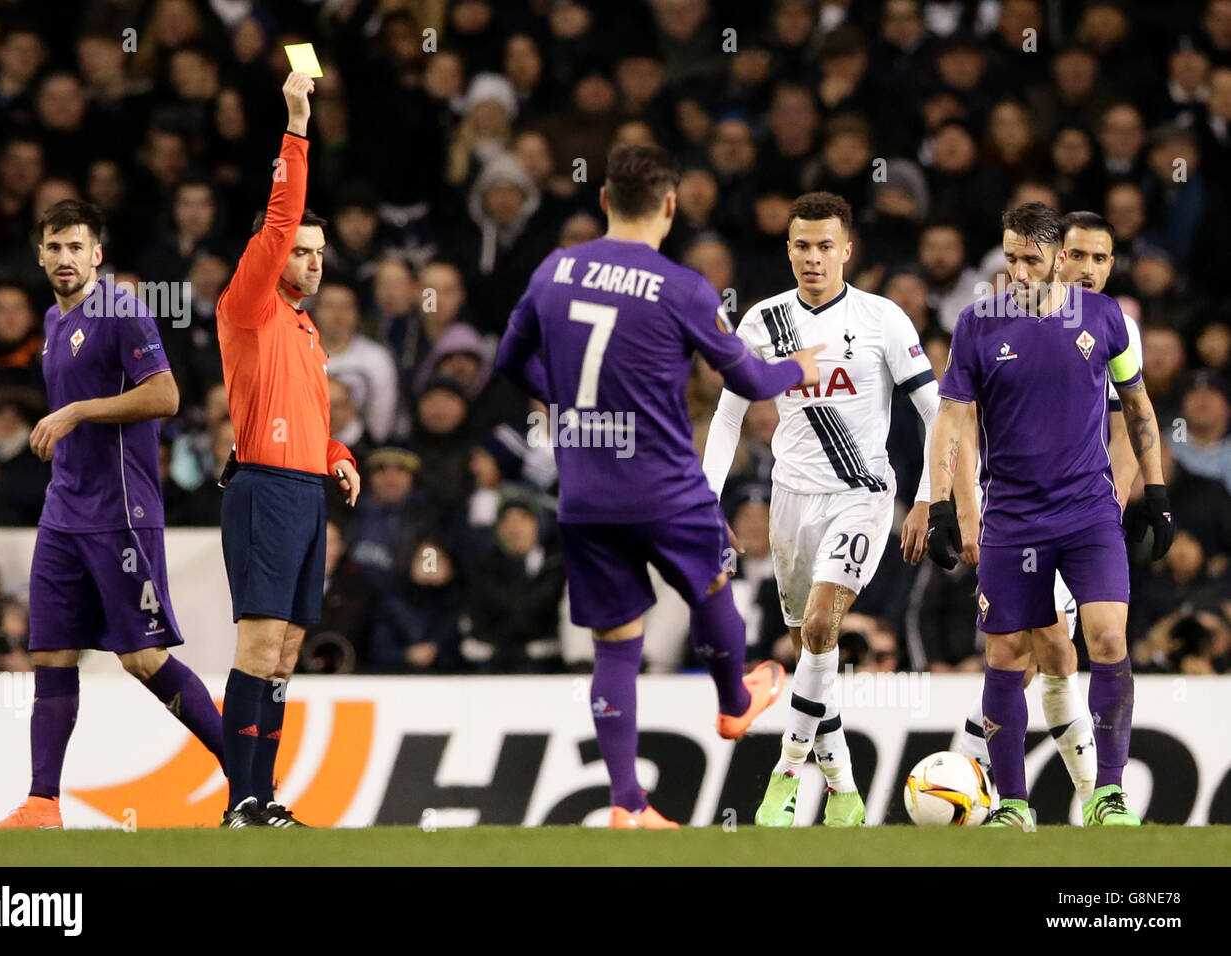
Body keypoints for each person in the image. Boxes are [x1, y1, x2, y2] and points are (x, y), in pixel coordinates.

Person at [495, 144, 824, 828]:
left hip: (585, 492)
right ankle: (735, 700)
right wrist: (799, 366)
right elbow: (750, 381)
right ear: (670, 206)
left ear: (605, 200)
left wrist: (563, 403)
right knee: (712, 580)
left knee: (617, 643)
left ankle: (626, 805)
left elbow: (509, 359)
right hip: (665, 486)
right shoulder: (682, 287)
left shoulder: (555, 269)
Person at [927, 202, 1172, 830]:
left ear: (1060, 257)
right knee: (1008, 652)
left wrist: (1157, 490)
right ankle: (1013, 804)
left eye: (1030, 259)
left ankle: (1108, 796)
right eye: (1009, 258)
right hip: (1012, 517)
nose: (1018, 271)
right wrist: (944, 505)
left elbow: (1138, 407)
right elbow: (952, 420)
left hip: (1088, 513)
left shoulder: (1105, 317)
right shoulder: (978, 325)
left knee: (1109, 638)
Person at [0, 199, 223, 830]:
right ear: (40, 254)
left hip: (120, 511)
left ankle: (250, 776)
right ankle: (42, 804)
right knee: (53, 653)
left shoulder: (121, 309)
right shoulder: (52, 319)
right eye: (54, 247)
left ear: (97, 253)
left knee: (140, 659)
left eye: (76, 247)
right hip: (63, 513)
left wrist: (77, 411)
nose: (64, 258)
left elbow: (167, 395)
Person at [702, 191, 938, 829]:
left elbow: (936, 411)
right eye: (802, 245)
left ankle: (784, 778)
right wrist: (702, 499)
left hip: (863, 493)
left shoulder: (883, 318)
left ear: (847, 251)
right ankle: (843, 786)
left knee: (821, 624)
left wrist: (927, 497)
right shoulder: (761, 322)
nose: (813, 258)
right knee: (814, 644)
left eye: (825, 246)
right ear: (788, 250)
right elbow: (727, 419)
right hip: (790, 500)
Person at [215, 72, 360, 829]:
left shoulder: (305, 331)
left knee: (288, 652)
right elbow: (278, 220)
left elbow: (307, 415)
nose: (310, 261)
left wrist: (336, 450)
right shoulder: (248, 305)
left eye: (318, 252)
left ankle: (262, 798)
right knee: (259, 643)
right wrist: (297, 123)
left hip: (306, 492)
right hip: (265, 490)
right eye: (300, 250)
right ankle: (239, 799)